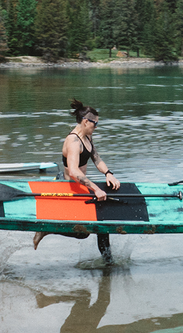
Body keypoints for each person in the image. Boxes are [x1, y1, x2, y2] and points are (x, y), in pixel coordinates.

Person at [33, 99, 121, 251]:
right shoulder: (73, 141)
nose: (96, 127)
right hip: (68, 187)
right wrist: (96, 189)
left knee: (103, 226)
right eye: (95, 124)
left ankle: (108, 266)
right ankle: (47, 229)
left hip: (81, 187)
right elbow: (74, 172)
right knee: (83, 233)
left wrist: (108, 173)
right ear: (86, 122)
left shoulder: (87, 137)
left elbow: (96, 158)